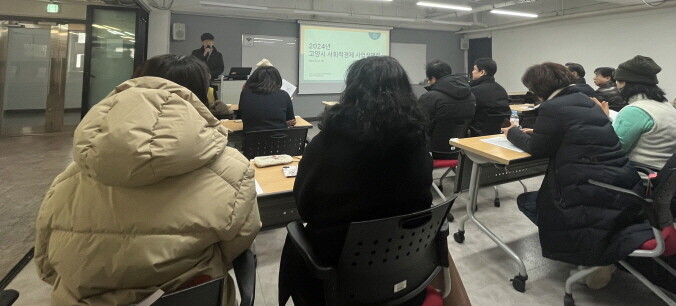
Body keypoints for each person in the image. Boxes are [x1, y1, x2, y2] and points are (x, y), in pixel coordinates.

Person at [34, 55, 260, 306]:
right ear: (201, 96)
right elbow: (236, 245)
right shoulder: (232, 169)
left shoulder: (72, 176)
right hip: (191, 296)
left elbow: (46, 264)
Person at [278, 56, 433, 305]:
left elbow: (305, 207)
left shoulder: (326, 144)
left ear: (352, 90)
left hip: (336, 279)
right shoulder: (418, 143)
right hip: (405, 276)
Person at [503, 62, 651, 286]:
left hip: (589, 190)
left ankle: (589, 256)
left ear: (538, 88)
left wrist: (512, 133)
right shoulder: (586, 100)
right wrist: (541, 131)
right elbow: (577, 132)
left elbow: (537, 148)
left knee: (531, 203)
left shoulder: (552, 107)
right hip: (621, 185)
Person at [598, 55, 676, 170]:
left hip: (639, 174)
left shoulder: (635, 111)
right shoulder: (668, 107)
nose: (616, 86)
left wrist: (603, 121)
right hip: (663, 175)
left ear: (627, 83)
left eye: (618, 81)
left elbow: (612, 149)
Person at [418, 60, 476, 151]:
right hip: (459, 148)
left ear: (433, 78)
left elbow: (419, 125)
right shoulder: (471, 96)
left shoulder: (429, 97)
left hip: (433, 150)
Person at [238, 65, 296, 132]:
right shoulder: (284, 95)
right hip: (279, 137)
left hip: (252, 137)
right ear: (277, 79)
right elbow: (291, 120)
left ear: (254, 79)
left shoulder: (245, 93)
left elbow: (241, 115)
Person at [468, 57, 510, 135]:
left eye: (474, 69)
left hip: (476, 133)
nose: (472, 72)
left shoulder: (473, 91)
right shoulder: (502, 90)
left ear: (482, 72)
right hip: (499, 132)